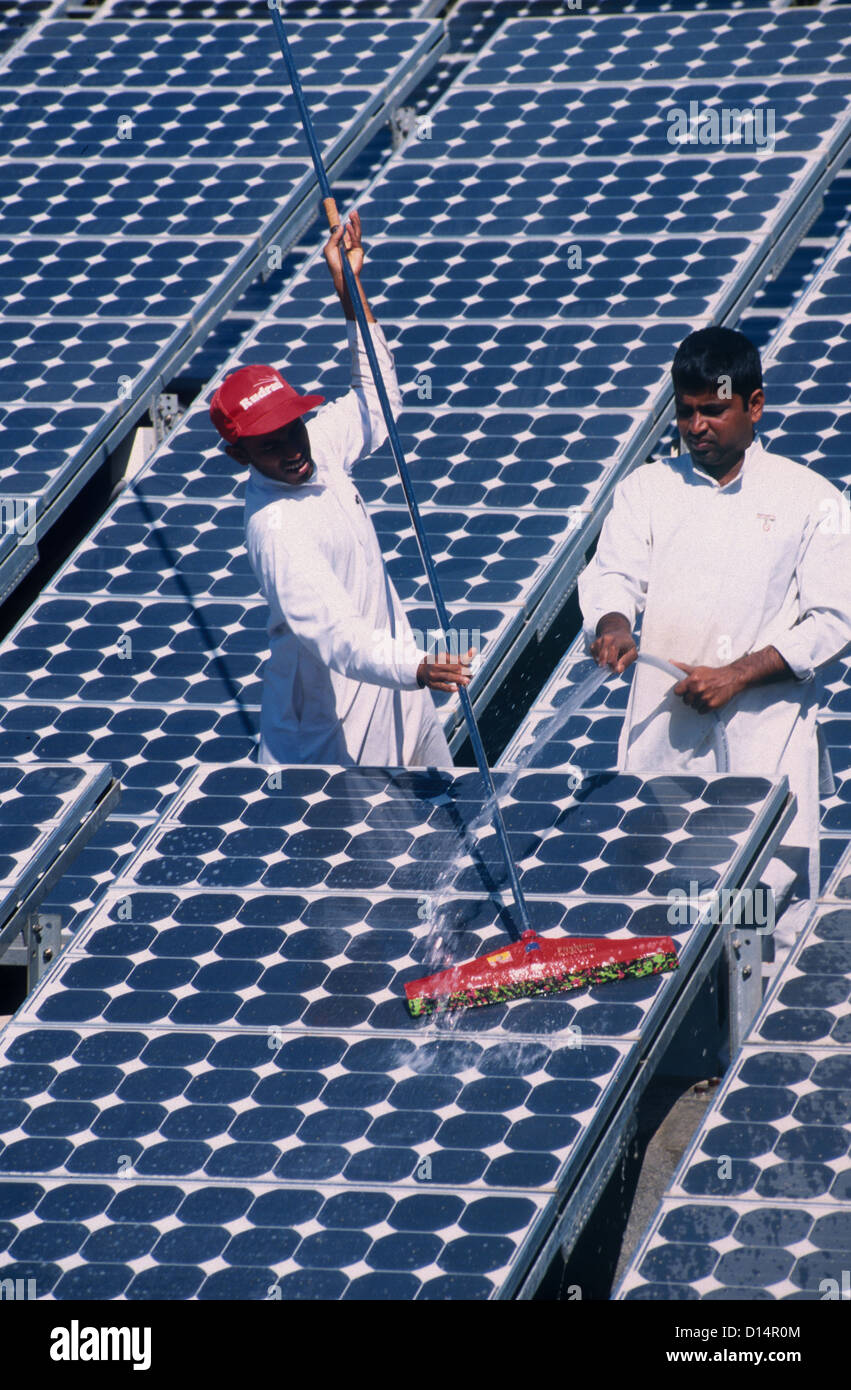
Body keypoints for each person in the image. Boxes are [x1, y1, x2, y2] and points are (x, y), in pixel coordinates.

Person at [579, 325, 851, 964]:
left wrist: (737, 675)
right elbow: (612, 575)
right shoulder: (647, 490)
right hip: (663, 746)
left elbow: (835, 618)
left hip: (764, 745)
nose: (695, 426)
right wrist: (613, 624)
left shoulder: (810, 498)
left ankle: (749, 1029)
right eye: (685, 411)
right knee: (666, 913)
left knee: (761, 925)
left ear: (754, 405)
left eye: (712, 409)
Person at [208, 210, 470, 766]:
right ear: (239, 456)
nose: (292, 449)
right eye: (270, 444)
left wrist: (348, 290)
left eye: (293, 427)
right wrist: (416, 666)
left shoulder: (314, 448)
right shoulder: (278, 529)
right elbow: (337, 635)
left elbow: (379, 399)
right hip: (335, 747)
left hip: (403, 702)